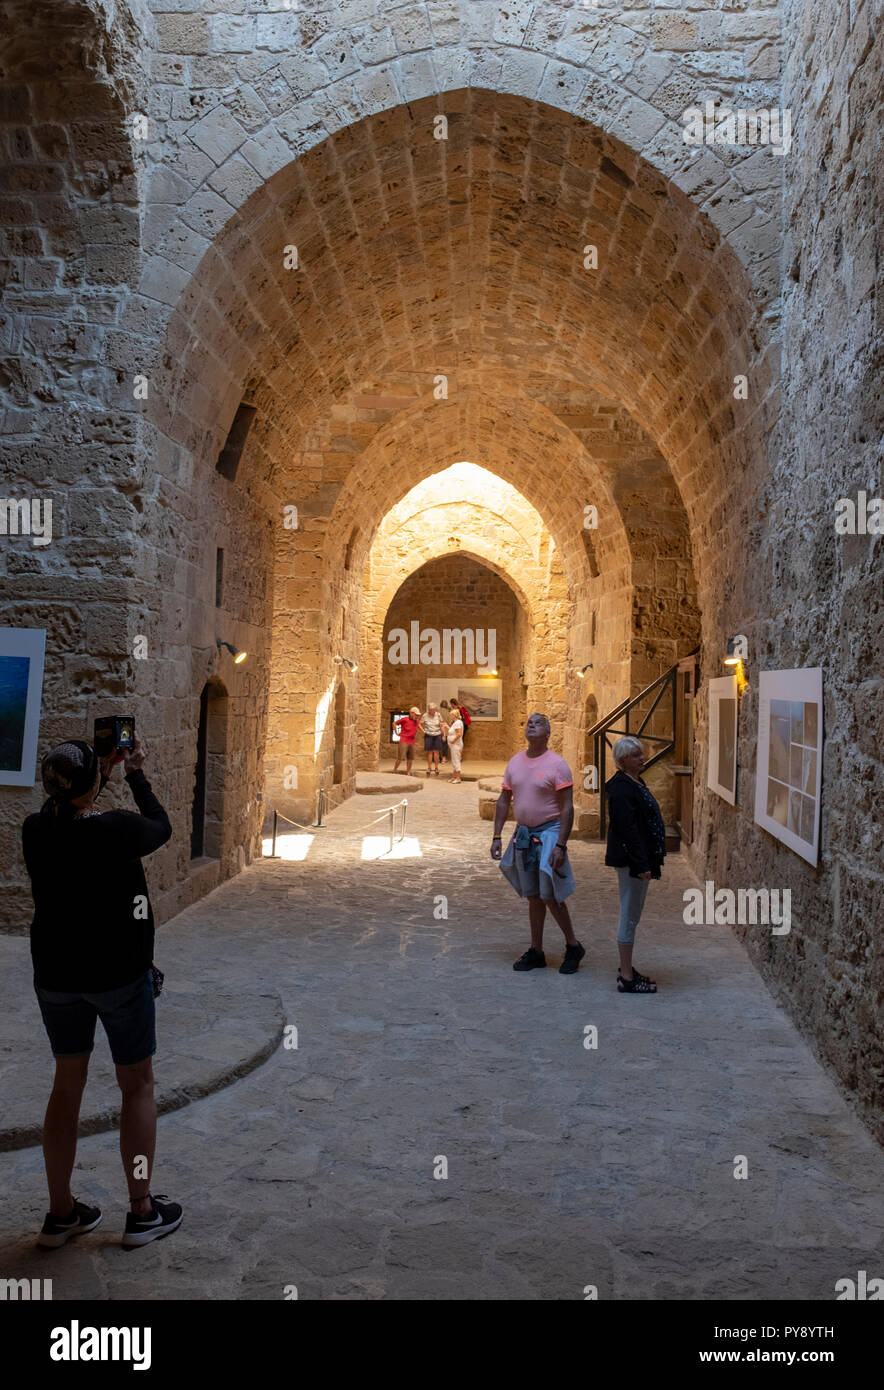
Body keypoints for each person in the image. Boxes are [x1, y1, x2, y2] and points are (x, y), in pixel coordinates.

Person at [22, 733, 183, 1248]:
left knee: (66, 1086)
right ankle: (141, 1211)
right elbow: (161, 825)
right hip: (118, 977)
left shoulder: (34, 830)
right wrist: (133, 771)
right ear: (94, 785)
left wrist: (96, 775)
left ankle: (62, 1212)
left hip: (57, 978)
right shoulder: (115, 829)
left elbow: (67, 810)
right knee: (136, 1086)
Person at [491, 712, 585, 974]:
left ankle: (573, 944)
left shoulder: (557, 765)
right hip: (523, 835)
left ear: (547, 733)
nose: (531, 725)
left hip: (550, 833)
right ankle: (536, 950)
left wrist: (561, 845)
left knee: (550, 894)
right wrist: (497, 835)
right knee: (533, 895)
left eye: (538, 723)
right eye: (528, 722)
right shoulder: (515, 762)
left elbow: (567, 808)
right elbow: (503, 800)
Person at [605, 735, 666, 993]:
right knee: (629, 915)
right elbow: (628, 830)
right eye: (636, 755)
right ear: (622, 760)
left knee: (633, 914)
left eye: (641, 754)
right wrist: (641, 864)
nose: (642, 758)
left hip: (639, 859)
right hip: (632, 862)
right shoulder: (621, 788)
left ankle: (627, 967)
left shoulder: (634, 781)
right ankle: (627, 977)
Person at [393, 707, 420, 774]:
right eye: (416, 715)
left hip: (412, 741)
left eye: (418, 715)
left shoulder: (417, 721)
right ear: (411, 713)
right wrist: (396, 732)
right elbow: (394, 723)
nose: (417, 716)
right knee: (400, 758)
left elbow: (417, 727)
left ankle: (408, 771)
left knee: (410, 758)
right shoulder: (405, 719)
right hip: (404, 740)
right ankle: (395, 770)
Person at [420, 702, 444, 776]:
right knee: (430, 752)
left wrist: (444, 734)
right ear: (429, 710)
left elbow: (442, 724)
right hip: (429, 735)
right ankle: (429, 767)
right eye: (432, 710)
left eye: (434, 710)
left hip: (437, 734)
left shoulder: (438, 714)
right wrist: (423, 730)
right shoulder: (425, 715)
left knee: (436, 752)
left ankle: (436, 767)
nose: (433, 712)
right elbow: (419, 723)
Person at [445, 704, 464, 783]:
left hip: (455, 745)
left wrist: (453, 740)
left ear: (454, 715)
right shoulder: (455, 723)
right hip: (453, 745)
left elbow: (459, 734)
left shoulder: (457, 723)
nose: (450, 717)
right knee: (454, 760)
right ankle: (454, 776)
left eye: (451, 715)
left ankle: (458, 778)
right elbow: (453, 732)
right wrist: (447, 727)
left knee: (456, 760)